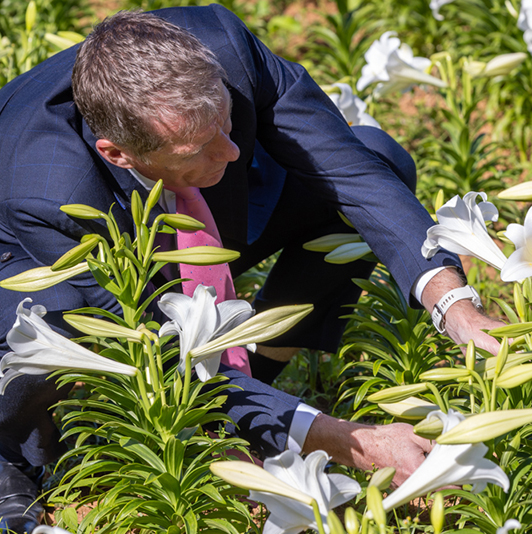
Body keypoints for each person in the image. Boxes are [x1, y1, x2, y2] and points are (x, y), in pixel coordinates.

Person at [0, 6, 502, 532]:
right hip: (35, 260)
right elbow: (158, 345)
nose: (233, 149)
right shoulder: (46, 193)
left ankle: (254, 382)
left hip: (196, 222)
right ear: (118, 154)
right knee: (50, 317)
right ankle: (13, 454)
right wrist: (356, 441)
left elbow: (351, 171)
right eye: (201, 147)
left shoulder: (224, 47)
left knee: (381, 156)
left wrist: (456, 307)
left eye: (226, 121)